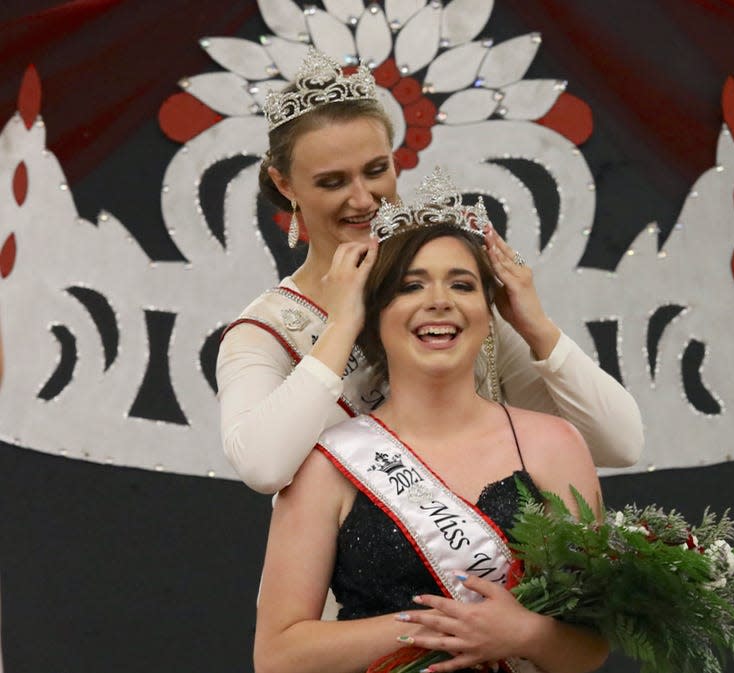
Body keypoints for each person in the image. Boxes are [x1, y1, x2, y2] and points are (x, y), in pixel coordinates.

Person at [216, 48, 642, 499]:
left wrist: (536, 327)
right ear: (285, 185)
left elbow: (620, 444)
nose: (363, 199)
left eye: (376, 171)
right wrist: (341, 329)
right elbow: (262, 467)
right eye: (333, 182)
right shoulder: (267, 330)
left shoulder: (455, 295)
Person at [252, 186, 608, 673]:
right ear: (374, 317)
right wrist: (438, 627)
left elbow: (590, 649)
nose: (439, 301)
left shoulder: (554, 445)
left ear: (489, 314)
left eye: (462, 285)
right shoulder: (326, 464)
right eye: (410, 286)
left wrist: (522, 633)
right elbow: (278, 656)